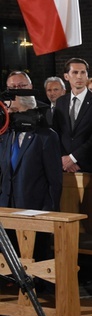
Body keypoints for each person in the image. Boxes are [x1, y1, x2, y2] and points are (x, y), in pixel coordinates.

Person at [0, 95, 62, 260]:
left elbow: (54, 180)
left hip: (34, 209)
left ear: (25, 109)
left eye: (11, 109)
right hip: (6, 207)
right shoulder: (6, 135)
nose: (6, 113)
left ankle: (41, 286)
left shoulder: (46, 137)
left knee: (36, 257)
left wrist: (48, 213)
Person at [52, 58, 92, 173]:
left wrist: (73, 158)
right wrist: (64, 158)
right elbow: (56, 132)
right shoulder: (60, 102)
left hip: (91, 165)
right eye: (75, 72)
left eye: (83, 72)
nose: (79, 76)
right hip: (64, 166)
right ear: (66, 76)